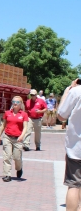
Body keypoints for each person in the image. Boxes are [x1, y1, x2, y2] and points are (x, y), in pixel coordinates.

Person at [57, 79, 81, 210]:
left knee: (74, 185)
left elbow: (61, 115)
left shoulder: (76, 92)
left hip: (77, 148)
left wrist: (67, 92)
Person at [0, 96, 28, 182]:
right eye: (13, 101)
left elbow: (25, 127)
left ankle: (19, 168)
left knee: (17, 157)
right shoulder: (7, 113)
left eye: (17, 102)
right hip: (7, 137)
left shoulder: (24, 114)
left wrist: (21, 136)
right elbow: (3, 125)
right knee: (7, 156)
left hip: (18, 139)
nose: (15, 103)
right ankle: (7, 175)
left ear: (21, 104)